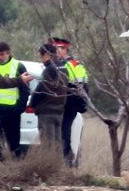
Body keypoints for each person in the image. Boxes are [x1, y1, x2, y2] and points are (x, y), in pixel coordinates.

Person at [27, 41, 71, 166]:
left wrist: (32, 103)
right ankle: (59, 168)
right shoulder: (64, 69)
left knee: (47, 143)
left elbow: (41, 89)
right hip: (59, 111)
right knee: (57, 143)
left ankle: (49, 169)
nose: (42, 60)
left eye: (42, 56)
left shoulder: (49, 70)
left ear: (46, 55)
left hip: (47, 111)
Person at [52, 38, 91, 169]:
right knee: (61, 133)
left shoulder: (74, 65)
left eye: (59, 49)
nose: (56, 52)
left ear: (65, 50)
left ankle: (67, 162)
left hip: (69, 105)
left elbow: (82, 88)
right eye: (54, 49)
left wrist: (79, 105)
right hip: (58, 105)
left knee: (64, 132)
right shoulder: (54, 65)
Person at [0, 42, 27, 162]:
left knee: (14, 141)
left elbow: (25, 90)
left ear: (8, 53)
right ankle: (1, 165)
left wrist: (19, 109)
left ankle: (16, 165)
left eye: (2, 54)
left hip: (12, 110)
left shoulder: (18, 66)